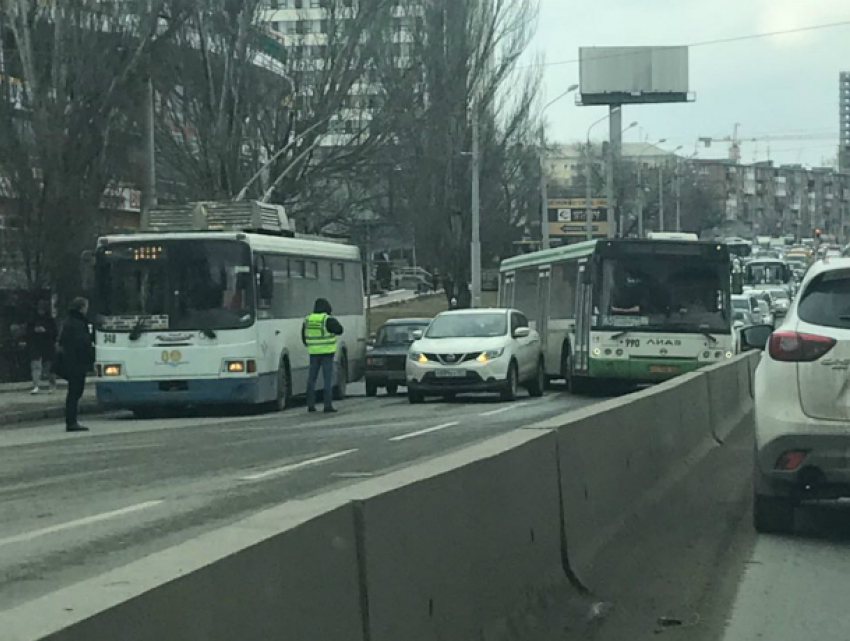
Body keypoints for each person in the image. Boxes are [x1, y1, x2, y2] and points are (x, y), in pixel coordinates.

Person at [58, 297, 95, 433]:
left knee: (74, 392)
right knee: (75, 392)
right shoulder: (78, 323)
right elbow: (82, 342)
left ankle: (71, 420)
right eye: (86, 307)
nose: (87, 309)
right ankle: (71, 421)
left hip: (71, 361)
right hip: (77, 362)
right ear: (81, 308)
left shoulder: (69, 321)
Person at [302, 298, 344, 414]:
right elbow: (340, 330)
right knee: (327, 380)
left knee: (311, 379)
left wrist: (311, 344)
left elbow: (304, 337)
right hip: (327, 353)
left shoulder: (308, 319)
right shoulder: (327, 319)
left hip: (313, 353)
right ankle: (327, 405)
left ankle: (310, 405)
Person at [27, 300, 58, 394]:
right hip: (37, 344)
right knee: (36, 364)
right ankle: (36, 385)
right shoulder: (33, 319)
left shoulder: (49, 320)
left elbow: (55, 333)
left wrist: (45, 331)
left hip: (47, 344)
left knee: (48, 366)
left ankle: (52, 384)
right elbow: (28, 331)